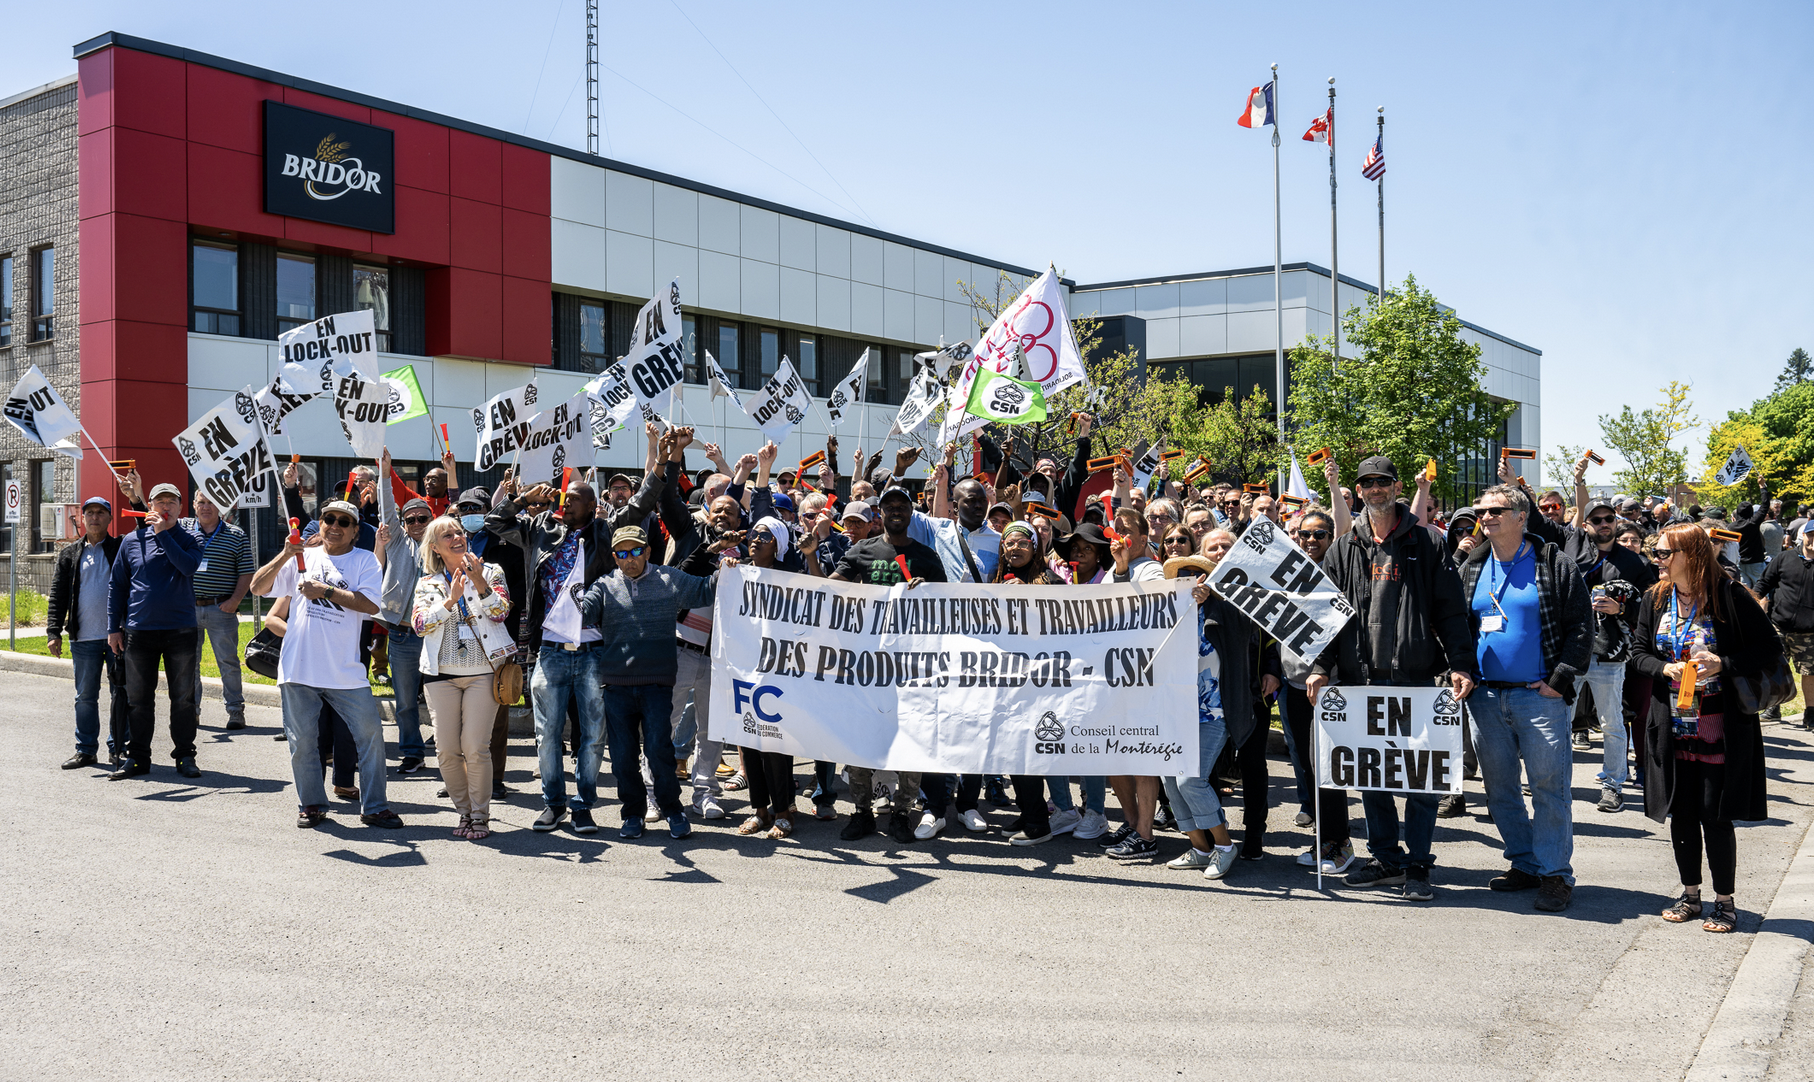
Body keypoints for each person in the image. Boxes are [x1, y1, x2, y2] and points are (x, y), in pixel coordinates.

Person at [488, 426, 680, 836]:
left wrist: (661, 462)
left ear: (593, 506)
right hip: (551, 651)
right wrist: (523, 498)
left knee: (593, 736)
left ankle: (583, 806)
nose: (565, 501)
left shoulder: (604, 532)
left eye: (574, 498)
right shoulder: (540, 529)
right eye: (564, 497)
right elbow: (494, 521)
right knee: (546, 734)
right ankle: (553, 804)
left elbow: (643, 502)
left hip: (595, 651)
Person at [1307, 456, 1478, 902]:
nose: (1375, 489)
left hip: (1415, 679)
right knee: (1372, 776)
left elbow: (1451, 611)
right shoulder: (1344, 547)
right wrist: (1321, 666)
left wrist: (1461, 663)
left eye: (1382, 481)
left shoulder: (1428, 541)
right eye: (1367, 483)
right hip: (1361, 681)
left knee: (1420, 778)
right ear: (1359, 490)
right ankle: (1385, 858)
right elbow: (1327, 615)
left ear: (1397, 486)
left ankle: (1418, 863)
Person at [1630, 524, 1779, 934]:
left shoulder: (1729, 595)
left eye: (1664, 553)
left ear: (1691, 555)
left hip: (1718, 726)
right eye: (1656, 552)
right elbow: (1638, 653)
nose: (1657, 560)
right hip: (1671, 724)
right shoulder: (1655, 598)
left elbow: (1769, 647)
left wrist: (1723, 664)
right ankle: (1690, 895)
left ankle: (1725, 903)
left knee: (1714, 815)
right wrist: (1664, 668)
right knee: (1681, 812)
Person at [1459, 483, 1594, 913]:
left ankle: (1555, 874)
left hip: (1539, 698)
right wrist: (1460, 669)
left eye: (1496, 510)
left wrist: (1560, 678)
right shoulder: (1472, 565)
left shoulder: (1553, 562)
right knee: (1500, 790)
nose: (1486, 517)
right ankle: (1525, 862)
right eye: (1482, 511)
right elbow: (1458, 626)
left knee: (1549, 789)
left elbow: (1581, 626)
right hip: (1484, 698)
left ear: (1521, 516)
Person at [250, 499, 402, 829]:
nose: (335, 526)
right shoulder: (302, 556)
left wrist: (326, 591)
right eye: (329, 519)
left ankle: (375, 806)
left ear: (355, 531)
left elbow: (370, 605)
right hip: (299, 669)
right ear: (320, 523)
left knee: (370, 736)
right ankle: (312, 804)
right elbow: (257, 587)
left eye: (344, 522)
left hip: (345, 672)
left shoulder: (364, 560)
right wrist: (285, 555)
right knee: (303, 742)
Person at [580, 524, 724, 841]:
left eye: (635, 551)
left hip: (658, 685)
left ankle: (673, 810)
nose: (629, 559)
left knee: (660, 752)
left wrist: (726, 569)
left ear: (647, 551)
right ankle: (633, 814)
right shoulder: (604, 585)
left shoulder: (668, 578)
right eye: (621, 553)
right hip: (616, 687)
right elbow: (583, 614)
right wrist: (573, 588)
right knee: (622, 758)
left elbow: (704, 589)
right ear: (614, 556)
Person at [829, 485, 948, 841]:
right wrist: (811, 559)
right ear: (880, 513)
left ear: (910, 513)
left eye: (902, 505)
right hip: (867, 665)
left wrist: (927, 592)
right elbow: (831, 590)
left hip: (910, 668)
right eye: (889, 505)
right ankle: (862, 813)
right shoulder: (862, 550)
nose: (896, 510)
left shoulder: (926, 556)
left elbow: (946, 605)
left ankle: (901, 814)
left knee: (910, 740)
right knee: (861, 740)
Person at [1161, 543, 1258, 881]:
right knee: (1170, 781)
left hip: (1215, 711)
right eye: (1183, 576)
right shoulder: (1170, 615)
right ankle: (1200, 849)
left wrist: (1217, 600)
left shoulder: (1227, 611)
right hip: (1177, 711)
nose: (1190, 580)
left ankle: (1225, 846)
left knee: (1191, 780)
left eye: (1196, 574)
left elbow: (1251, 625)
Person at [412, 516, 512, 841]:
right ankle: (464, 812)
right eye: (447, 535)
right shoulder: (427, 583)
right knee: (446, 749)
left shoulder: (491, 571)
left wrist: (479, 582)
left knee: (475, 747)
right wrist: (450, 600)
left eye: (459, 532)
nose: (457, 537)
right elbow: (419, 625)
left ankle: (480, 816)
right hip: (440, 677)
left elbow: (501, 612)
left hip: (483, 674)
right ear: (435, 548)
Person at [107, 482, 207, 781]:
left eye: (171, 502)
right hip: (139, 630)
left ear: (181, 508)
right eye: (160, 501)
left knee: (183, 698)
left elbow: (188, 567)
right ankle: (138, 757)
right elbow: (117, 586)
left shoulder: (191, 538)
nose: (165, 507)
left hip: (180, 630)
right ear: (149, 506)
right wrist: (113, 628)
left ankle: (185, 755)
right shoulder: (131, 541)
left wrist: (163, 533)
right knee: (138, 699)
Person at [1279, 510, 1358, 872]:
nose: (1311, 540)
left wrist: (1323, 670)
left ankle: (1339, 845)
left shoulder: (1339, 574)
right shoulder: (1286, 575)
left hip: (1329, 687)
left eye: (1319, 534)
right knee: (1309, 769)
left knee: (1328, 769)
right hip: (1293, 685)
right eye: (1304, 534)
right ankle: (1323, 840)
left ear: (1332, 537)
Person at [988, 521, 1064, 845]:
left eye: (1023, 543)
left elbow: (1066, 623)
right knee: (1010, 753)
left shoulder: (1051, 582)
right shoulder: (995, 581)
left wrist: (1031, 599)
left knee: (1027, 753)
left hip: (1039, 684)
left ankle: (1038, 824)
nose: (1015, 548)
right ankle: (1028, 810)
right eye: (1010, 543)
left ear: (1035, 547)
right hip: (1006, 682)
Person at [49, 496, 127, 769]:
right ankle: (85, 750)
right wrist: (53, 632)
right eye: (90, 512)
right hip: (83, 638)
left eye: (100, 512)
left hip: (117, 636)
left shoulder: (120, 548)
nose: (94, 517)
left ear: (110, 518)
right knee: (84, 696)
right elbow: (58, 595)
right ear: (83, 518)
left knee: (121, 694)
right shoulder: (70, 554)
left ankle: (119, 748)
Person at [377, 448, 434, 774]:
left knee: (444, 699)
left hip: (437, 634)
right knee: (405, 702)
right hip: (401, 635)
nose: (416, 524)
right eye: (410, 519)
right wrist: (385, 474)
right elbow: (387, 508)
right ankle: (412, 752)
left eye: (422, 518)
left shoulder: (442, 545)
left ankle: (450, 753)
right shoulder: (397, 541)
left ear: (432, 520)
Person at [1759, 522, 1814, 732]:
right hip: (1779, 625)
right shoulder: (1785, 558)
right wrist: (1755, 600)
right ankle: (1773, 707)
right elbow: (1764, 583)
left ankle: (1811, 713)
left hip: (1809, 632)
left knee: (1810, 672)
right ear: (1803, 536)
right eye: (1811, 534)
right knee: (1775, 667)